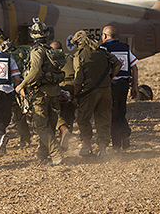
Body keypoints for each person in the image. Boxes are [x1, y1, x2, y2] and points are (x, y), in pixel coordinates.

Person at [15, 19, 68, 166]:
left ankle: (56, 155)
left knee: (42, 126)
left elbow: (35, 71)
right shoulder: (51, 50)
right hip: (53, 93)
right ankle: (42, 155)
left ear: (33, 35)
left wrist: (22, 85)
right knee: (50, 124)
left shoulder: (37, 51)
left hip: (40, 95)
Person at [72, 30, 122, 158]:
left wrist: (76, 96)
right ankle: (103, 150)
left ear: (79, 43)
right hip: (106, 90)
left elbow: (78, 80)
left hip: (89, 92)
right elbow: (118, 64)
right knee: (103, 119)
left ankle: (87, 147)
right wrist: (110, 77)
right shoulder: (103, 52)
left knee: (83, 119)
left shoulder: (80, 55)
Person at [100, 25, 139, 150]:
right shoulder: (125, 47)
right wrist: (135, 86)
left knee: (113, 113)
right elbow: (134, 67)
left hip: (113, 85)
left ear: (105, 36)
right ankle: (125, 134)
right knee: (121, 110)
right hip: (124, 84)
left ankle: (117, 145)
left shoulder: (104, 48)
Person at [52, 40, 76, 147]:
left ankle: (63, 128)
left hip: (58, 86)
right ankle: (65, 142)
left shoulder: (51, 59)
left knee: (54, 112)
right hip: (72, 87)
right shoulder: (71, 58)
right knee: (69, 113)